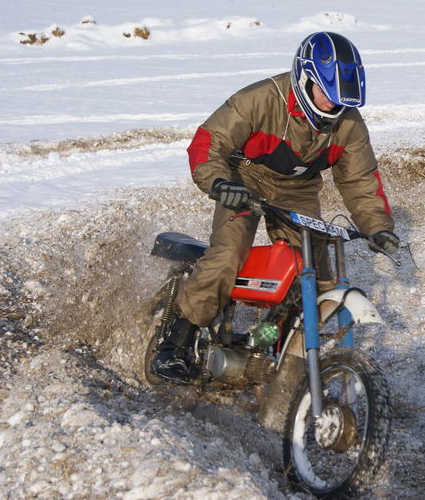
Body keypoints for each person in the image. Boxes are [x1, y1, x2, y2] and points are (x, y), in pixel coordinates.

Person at [152, 32, 399, 384]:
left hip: (298, 188)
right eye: (325, 93)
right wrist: (220, 183)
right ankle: (173, 344)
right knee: (229, 253)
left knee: (313, 269)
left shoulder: (349, 123)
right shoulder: (259, 99)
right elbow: (208, 142)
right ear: (305, 78)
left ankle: (279, 349)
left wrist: (378, 227)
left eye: (339, 99)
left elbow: (361, 179)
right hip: (245, 179)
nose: (332, 105)